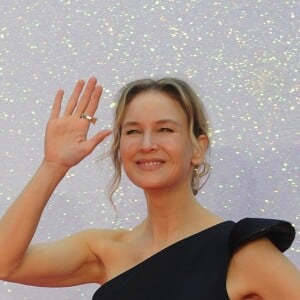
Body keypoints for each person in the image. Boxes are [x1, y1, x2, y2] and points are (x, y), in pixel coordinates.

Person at [0, 77, 299, 300]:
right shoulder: (104, 251)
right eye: (132, 131)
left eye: (165, 129)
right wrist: (53, 165)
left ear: (198, 147)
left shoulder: (242, 253)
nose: (146, 145)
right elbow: (5, 264)